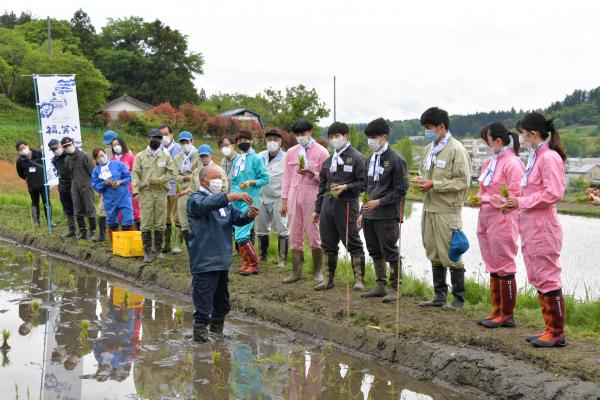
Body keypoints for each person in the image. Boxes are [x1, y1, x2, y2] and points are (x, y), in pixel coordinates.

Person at [502, 112, 568, 347]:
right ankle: (549, 328)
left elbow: (554, 193)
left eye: (521, 133)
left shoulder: (549, 158)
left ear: (532, 133)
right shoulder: (535, 157)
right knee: (538, 276)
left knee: (548, 276)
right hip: (530, 225)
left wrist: (520, 202)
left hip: (543, 227)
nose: (520, 138)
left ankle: (557, 333)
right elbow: (531, 192)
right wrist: (513, 203)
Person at [187, 166, 259, 342]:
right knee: (203, 304)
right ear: (203, 181)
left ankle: (217, 334)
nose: (218, 181)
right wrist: (229, 196)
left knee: (222, 303)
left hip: (222, 262)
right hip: (204, 262)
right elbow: (205, 205)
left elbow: (238, 219)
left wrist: (249, 215)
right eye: (214, 178)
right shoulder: (195, 199)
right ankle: (200, 340)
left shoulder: (224, 204)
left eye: (220, 178)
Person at [414, 107, 471, 311]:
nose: (427, 132)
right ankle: (439, 296)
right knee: (433, 251)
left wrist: (435, 184)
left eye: (429, 128)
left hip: (448, 210)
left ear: (441, 127)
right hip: (429, 208)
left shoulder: (456, 149)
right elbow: (425, 173)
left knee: (451, 253)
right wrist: (420, 181)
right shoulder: (429, 149)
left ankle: (459, 299)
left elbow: (463, 182)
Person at [475, 123, 524, 328]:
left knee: (504, 264)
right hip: (485, 218)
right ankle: (496, 310)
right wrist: (478, 198)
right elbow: (482, 189)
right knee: (492, 264)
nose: (486, 145)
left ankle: (507, 314)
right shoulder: (489, 162)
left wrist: (486, 200)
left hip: (503, 218)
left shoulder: (513, 163)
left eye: (487, 141)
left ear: (498, 141)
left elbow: (514, 196)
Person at [356, 119, 408, 302]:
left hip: (387, 214)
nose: (370, 141)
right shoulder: (370, 159)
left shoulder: (396, 160)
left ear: (384, 137)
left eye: (374, 137)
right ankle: (380, 285)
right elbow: (367, 188)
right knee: (374, 250)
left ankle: (395, 287)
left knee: (390, 250)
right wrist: (362, 212)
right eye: (368, 137)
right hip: (369, 214)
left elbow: (401, 190)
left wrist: (379, 202)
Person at [313, 122, 367, 291]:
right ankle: (328, 279)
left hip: (347, 206)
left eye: (337, 136)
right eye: (331, 137)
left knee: (352, 242)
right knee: (327, 243)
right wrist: (317, 209)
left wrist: (346, 187)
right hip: (328, 207)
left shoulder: (358, 158)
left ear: (346, 136)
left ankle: (359, 280)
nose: (334, 140)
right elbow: (322, 186)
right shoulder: (329, 161)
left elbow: (364, 184)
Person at [280, 119, 329, 284]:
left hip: (312, 196)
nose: (300, 137)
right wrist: (284, 200)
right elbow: (286, 178)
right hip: (294, 195)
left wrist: (311, 172)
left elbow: (326, 179)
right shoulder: (291, 152)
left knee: (314, 233)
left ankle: (318, 271)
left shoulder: (322, 152)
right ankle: (296, 271)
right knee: (294, 232)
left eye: (303, 134)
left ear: (310, 132)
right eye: (298, 135)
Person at [230, 130, 269, 275]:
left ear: (251, 141)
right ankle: (246, 264)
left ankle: (254, 263)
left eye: (245, 139)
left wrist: (251, 181)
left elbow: (265, 179)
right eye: (239, 141)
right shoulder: (238, 159)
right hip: (236, 200)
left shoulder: (256, 159)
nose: (242, 142)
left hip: (250, 200)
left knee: (242, 234)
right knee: (238, 233)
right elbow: (234, 180)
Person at [132, 129, 175, 263]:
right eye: (153, 137)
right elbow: (135, 174)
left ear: (161, 140)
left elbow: (171, 172)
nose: (155, 140)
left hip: (161, 192)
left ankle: (159, 249)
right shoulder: (140, 156)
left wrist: (161, 179)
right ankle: (147, 251)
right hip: (146, 193)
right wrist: (135, 191)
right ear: (148, 138)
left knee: (160, 221)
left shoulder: (165, 156)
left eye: (158, 138)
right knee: (145, 222)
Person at [256, 129, 289, 267]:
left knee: (282, 229)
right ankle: (263, 255)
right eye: (269, 139)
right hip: (262, 198)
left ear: (280, 142)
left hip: (278, 198)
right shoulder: (259, 156)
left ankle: (282, 259)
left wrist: (286, 201)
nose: (272, 142)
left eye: (275, 140)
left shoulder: (287, 158)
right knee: (261, 229)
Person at [91, 148, 134, 241]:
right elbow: (96, 186)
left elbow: (128, 177)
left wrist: (120, 181)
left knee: (128, 219)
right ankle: (115, 244)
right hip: (109, 199)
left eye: (102, 155)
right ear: (96, 160)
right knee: (111, 221)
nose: (101, 158)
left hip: (123, 197)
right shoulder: (96, 171)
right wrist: (104, 183)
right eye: (98, 157)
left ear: (106, 154)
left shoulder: (118, 164)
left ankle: (129, 243)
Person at [62, 137, 98, 240]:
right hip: (74, 185)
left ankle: (93, 232)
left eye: (69, 145)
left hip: (86, 185)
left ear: (73, 144)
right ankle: (83, 231)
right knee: (77, 208)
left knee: (90, 207)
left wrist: (94, 185)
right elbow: (69, 173)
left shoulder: (84, 155)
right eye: (65, 147)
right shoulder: (67, 159)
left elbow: (93, 172)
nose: (68, 148)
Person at [173, 131, 200, 251]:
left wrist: (190, 177)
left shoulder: (199, 155)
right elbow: (176, 176)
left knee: (198, 221)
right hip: (183, 193)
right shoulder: (177, 158)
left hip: (197, 192)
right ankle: (191, 251)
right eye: (182, 142)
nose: (185, 144)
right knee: (184, 222)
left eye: (187, 142)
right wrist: (185, 177)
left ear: (192, 141)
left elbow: (201, 173)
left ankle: (200, 248)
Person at [15, 141, 53, 229]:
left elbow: (48, 164)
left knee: (46, 201)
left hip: (44, 183)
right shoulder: (20, 161)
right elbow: (20, 174)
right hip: (32, 185)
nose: (22, 150)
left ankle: (49, 221)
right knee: (35, 202)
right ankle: (36, 222)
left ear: (27, 146)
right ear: (18, 151)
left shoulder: (39, 154)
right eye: (20, 149)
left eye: (23, 147)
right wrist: (28, 178)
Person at [159, 124, 182, 254]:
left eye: (166, 134)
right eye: (161, 135)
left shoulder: (179, 148)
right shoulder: (159, 149)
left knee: (178, 217)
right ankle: (166, 243)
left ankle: (177, 244)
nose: (164, 137)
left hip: (178, 188)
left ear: (172, 135)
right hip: (164, 188)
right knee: (166, 217)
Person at [110, 136, 141, 229]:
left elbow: (136, 173)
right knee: (120, 211)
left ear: (122, 145)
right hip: (118, 190)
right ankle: (124, 232)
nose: (116, 147)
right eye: (114, 145)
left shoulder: (130, 157)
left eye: (118, 144)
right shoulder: (112, 160)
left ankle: (139, 233)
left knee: (135, 210)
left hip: (130, 188)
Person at [49, 139, 75, 237]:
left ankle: (83, 230)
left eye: (56, 148)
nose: (55, 150)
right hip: (62, 185)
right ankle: (72, 230)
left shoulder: (69, 155)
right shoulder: (55, 159)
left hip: (73, 184)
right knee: (67, 208)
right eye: (52, 149)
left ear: (60, 146)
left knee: (78, 206)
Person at [95, 130, 118, 242]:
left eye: (111, 143)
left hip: (120, 186)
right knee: (101, 210)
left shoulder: (124, 151)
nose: (109, 145)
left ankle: (121, 234)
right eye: (108, 143)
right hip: (106, 186)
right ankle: (102, 234)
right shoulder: (105, 153)